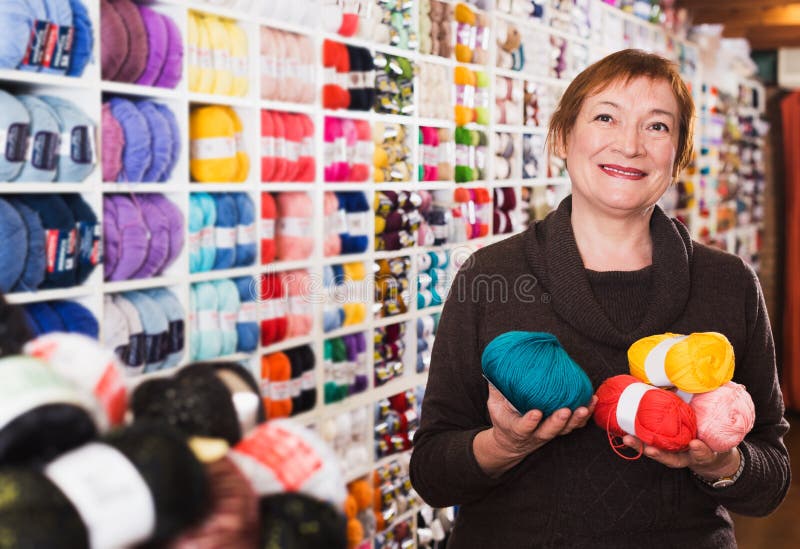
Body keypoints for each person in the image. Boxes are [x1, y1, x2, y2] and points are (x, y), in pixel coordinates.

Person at [409, 49, 790, 548]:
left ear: (678, 154)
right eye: (606, 117)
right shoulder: (492, 274)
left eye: (657, 126)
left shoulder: (728, 282)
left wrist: (721, 462)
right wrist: (502, 445)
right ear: (564, 137)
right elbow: (432, 473)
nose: (629, 145)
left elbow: (770, 479)